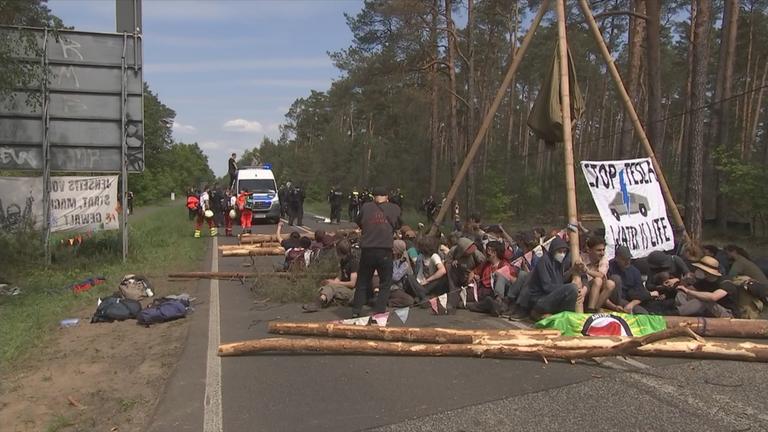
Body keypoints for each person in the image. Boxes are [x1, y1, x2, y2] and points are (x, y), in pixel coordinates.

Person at [350, 186, 402, 317]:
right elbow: (398, 224)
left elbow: (359, 222)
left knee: (362, 281)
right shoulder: (395, 208)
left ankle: (356, 311)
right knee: (385, 283)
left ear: (373, 197)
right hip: (385, 249)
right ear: (387, 197)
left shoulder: (366, 207)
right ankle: (379, 313)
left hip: (368, 249)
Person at [527, 236, 583, 318]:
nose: (562, 254)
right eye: (560, 251)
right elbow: (547, 286)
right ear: (553, 250)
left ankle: (562, 316)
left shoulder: (558, 263)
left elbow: (559, 281)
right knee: (572, 288)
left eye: (564, 252)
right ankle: (540, 313)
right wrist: (566, 289)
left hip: (550, 297)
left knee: (572, 290)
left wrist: (571, 271)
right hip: (539, 299)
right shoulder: (544, 261)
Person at [302, 239, 360, 312]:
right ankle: (320, 301)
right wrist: (332, 282)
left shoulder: (353, 263)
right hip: (344, 288)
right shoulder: (343, 261)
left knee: (332, 288)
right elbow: (340, 276)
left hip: (353, 292)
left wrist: (336, 283)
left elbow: (352, 283)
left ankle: (318, 303)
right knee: (328, 286)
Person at [580, 236, 616, 312]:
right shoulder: (582, 258)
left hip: (598, 292)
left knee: (610, 284)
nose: (602, 253)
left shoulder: (604, 259)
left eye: (603, 250)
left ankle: (594, 309)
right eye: (599, 250)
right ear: (589, 250)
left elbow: (601, 275)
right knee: (598, 280)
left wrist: (587, 271)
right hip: (584, 288)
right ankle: (591, 309)